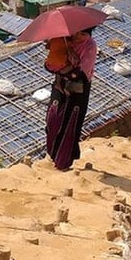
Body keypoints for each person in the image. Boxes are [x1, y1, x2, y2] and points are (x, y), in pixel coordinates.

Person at [44, 28, 97, 171]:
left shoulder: (90, 46)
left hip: (77, 89)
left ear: (89, 35)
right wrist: (55, 51)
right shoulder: (64, 40)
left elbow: (81, 73)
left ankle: (63, 162)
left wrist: (64, 68)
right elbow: (49, 64)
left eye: (83, 34)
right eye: (77, 32)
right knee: (53, 118)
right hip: (59, 85)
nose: (79, 36)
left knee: (69, 124)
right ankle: (52, 154)